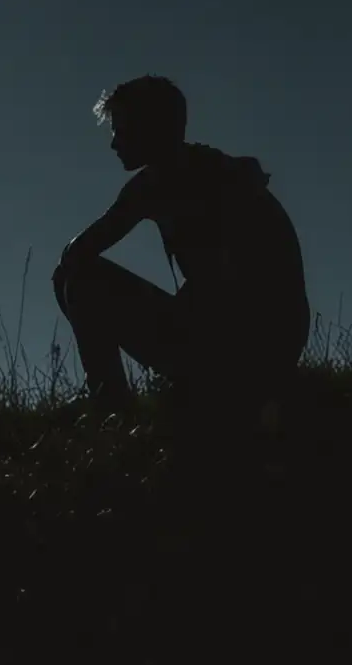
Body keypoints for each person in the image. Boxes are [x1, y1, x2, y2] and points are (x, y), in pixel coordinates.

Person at [50, 74, 311, 421]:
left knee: (76, 279)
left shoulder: (161, 184)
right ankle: (192, 386)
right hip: (273, 344)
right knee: (72, 274)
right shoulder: (219, 169)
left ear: (151, 129)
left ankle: (110, 400)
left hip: (242, 345)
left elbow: (77, 254)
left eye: (121, 130)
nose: (114, 143)